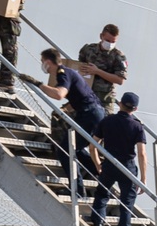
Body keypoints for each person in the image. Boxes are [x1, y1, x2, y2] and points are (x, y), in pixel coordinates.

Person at [28, 48, 106, 189]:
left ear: (48, 62)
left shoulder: (63, 73)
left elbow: (59, 94)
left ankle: (77, 189)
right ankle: (101, 173)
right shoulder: (67, 72)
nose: (42, 64)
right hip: (92, 113)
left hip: (90, 114)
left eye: (42, 61)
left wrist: (38, 84)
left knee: (65, 150)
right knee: (75, 148)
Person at [87, 92, 147, 226]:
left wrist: (97, 163)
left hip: (109, 164)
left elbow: (92, 145)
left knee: (102, 193)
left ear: (120, 104)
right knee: (126, 206)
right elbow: (142, 154)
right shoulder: (137, 126)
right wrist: (143, 179)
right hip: (128, 168)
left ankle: (98, 223)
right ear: (135, 109)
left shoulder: (107, 121)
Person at [77, 24, 128, 113]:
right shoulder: (89, 49)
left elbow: (120, 80)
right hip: (85, 94)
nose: (110, 44)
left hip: (104, 100)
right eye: (107, 40)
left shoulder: (118, 56)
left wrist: (97, 71)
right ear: (101, 36)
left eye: (113, 42)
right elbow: (79, 65)